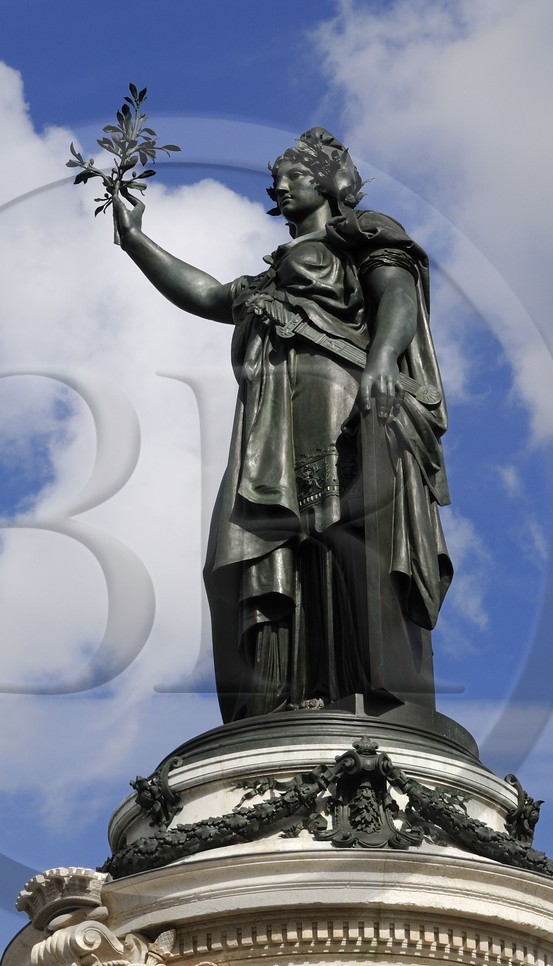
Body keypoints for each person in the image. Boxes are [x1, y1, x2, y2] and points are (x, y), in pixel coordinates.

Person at [113, 128, 452, 727]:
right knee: (257, 547)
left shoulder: (363, 234)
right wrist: (137, 240)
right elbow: (212, 295)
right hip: (272, 422)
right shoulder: (269, 279)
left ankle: (363, 687)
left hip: (338, 397)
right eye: (279, 177)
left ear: (326, 180)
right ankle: (282, 697)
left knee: (343, 534)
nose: (280, 183)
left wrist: (381, 361)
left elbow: (396, 294)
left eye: (294, 174)